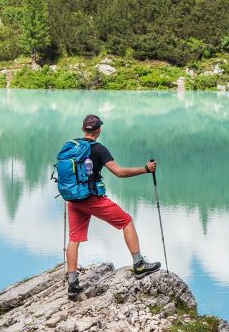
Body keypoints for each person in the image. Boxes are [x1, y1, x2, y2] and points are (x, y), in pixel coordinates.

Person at [66, 113, 161, 299]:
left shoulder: (71, 147)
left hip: (73, 199)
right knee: (126, 221)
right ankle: (139, 264)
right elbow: (119, 173)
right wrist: (145, 169)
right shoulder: (99, 149)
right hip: (92, 199)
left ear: (83, 129)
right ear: (99, 130)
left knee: (74, 238)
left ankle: (72, 283)